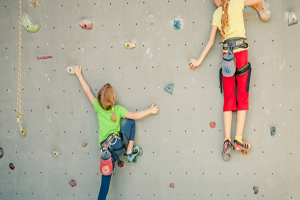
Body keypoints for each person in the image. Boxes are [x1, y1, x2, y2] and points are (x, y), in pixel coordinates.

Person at [189, 0, 265, 161]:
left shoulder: (217, 14)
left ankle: (227, 141)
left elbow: (210, 42)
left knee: (229, 99)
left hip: (227, 58)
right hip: (241, 54)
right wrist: (258, 7)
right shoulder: (237, 2)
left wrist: (198, 60)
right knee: (242, 97)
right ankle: (238, 139)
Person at [73, 65, 159, 199]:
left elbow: (87, 91)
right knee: (131, 122)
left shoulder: (98, 107)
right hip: (119, 147)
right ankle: (129, 151)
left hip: (107, 153)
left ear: (101, 100)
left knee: (104, 188)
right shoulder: (118, 110)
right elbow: (135, 116)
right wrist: (150, 110)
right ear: (113, 99)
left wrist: (78, 74)